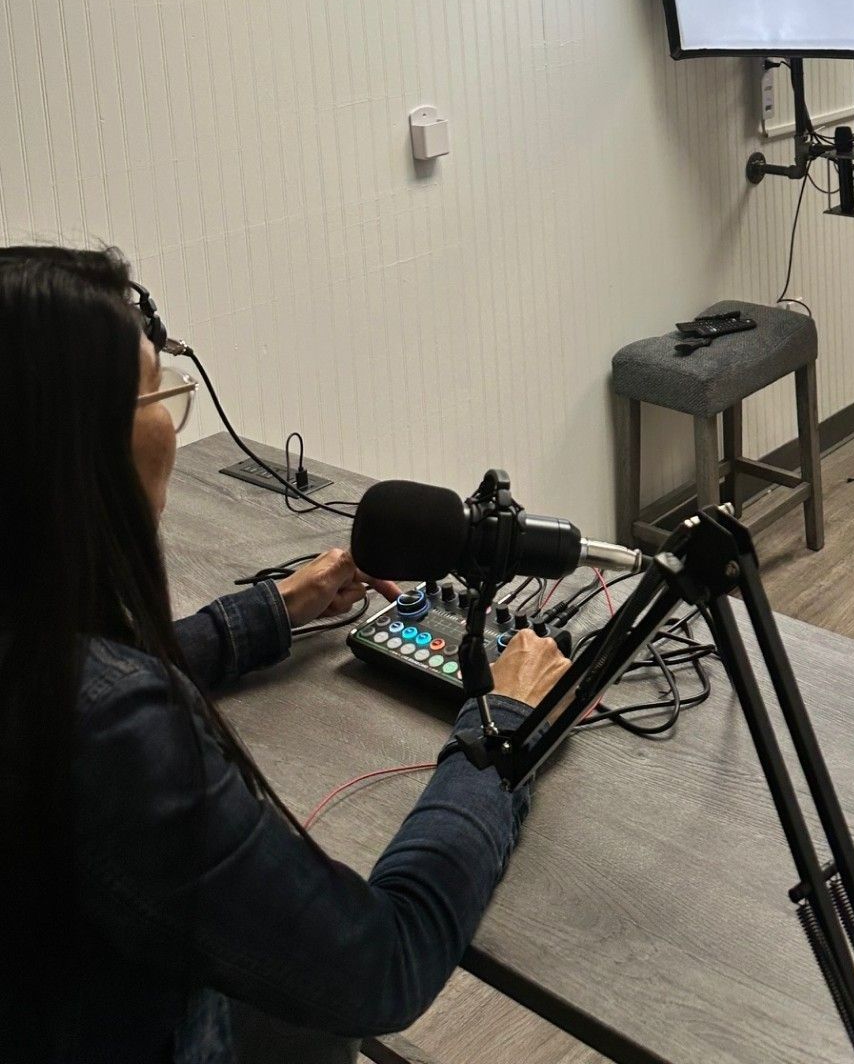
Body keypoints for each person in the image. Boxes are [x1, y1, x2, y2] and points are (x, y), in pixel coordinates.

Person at [0, 242, 572, 1063]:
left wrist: (271, 611)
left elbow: (65, 686)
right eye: (156, 392)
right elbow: (381, 968)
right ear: (69, 451)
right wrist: (501, 736)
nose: (169, 417)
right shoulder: (112, 728)